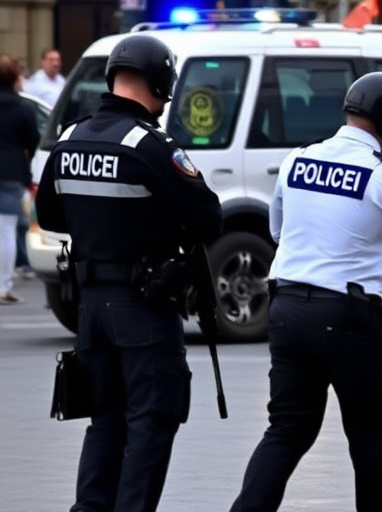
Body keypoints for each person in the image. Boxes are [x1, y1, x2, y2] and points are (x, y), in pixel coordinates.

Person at [229, 71, 382, 512]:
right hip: (348, 317)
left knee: (286, 431)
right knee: (370, 441)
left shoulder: (298, 160)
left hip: (287, 309)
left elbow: (278, 229)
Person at [34, 35, 223, 512]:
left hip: (90, 308)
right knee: (152, 421)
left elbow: (52, 216)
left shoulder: (70, 139)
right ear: (162, 82)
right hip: (142, 306)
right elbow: (208, 219)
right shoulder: (149, 146)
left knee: (106, 419)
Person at [0, 54, 38, 305]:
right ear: (15, 78)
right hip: (11, 173)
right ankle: (3, 287)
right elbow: (32, 141)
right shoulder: (24, 107)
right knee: (6, 231)